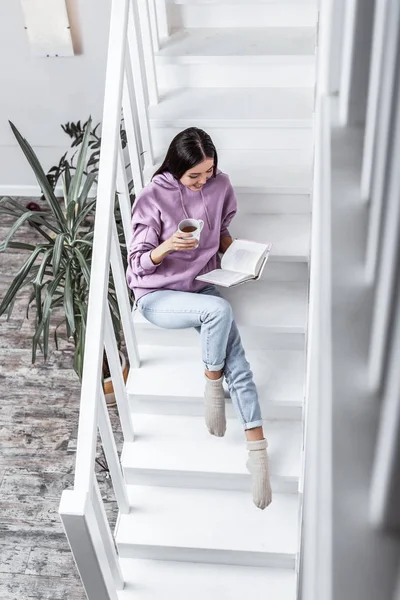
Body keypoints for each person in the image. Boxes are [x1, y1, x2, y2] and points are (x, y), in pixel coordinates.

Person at [126, 127, 272, 509]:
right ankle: (211, 385)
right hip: (157, 294)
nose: (203, 180)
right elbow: (138, 265)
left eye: (208, 172)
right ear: (176, 169)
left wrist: (240, 255)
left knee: (238, 361)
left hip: (200, 286)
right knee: (220, 310)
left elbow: (221, 232)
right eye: (195, 175)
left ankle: (258, 453)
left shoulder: (220, 185)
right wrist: (168, 245)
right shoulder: (153, 196)